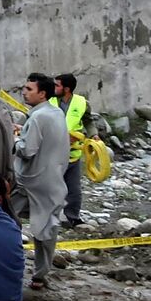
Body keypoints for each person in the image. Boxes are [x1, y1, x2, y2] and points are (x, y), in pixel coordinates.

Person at [11, 73, 68, 289]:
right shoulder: (56, 113)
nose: (24, 92)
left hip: (30, 181)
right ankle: (40, 274)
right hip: (52, 180)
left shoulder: (37, 117)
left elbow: (28, 150)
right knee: (45, 229)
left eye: (29, 89)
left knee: (6, 219)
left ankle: (7, 265)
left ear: (42, 93)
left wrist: (16, 139)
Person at [52, 73, 91, 227]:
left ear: (66, 89)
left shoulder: (81, 103)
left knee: (73, 189)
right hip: (53, 153)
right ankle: (50, 217)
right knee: (51, 187)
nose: (54, 88)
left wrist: (93, 135)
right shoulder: (49, 101)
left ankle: (72, 216)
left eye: (57, 85)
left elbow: (88, 121)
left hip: (73, 154)